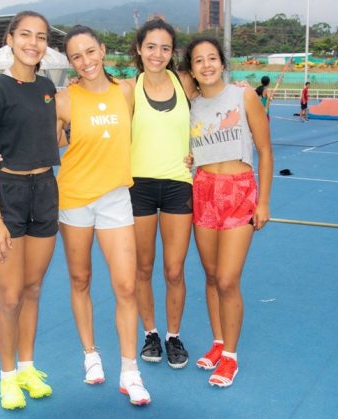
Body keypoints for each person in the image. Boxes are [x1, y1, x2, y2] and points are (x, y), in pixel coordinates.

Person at [54, 25, 151, 406]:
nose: (86, 61)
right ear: (70, 62)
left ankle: (130, 371)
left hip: (115, 199)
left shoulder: (125, 91)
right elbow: (45, 142)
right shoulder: (63, 100)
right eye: (77, 56)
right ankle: (91, 355)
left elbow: (173, 88)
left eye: (90, 52)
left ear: (103, 50)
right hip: (74, 198)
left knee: (126, 286)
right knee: (81, 279)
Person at [0, 11, 60, 411]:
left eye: (40, 36)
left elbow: (55, 137)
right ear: (9, 39)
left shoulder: (47, 87)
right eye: (25, 34)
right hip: (7, 195)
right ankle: (7, 376)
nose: (33, 42)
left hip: (45, 190)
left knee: (33, 289)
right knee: (10, 297)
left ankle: (27, 366)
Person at [181, 36, 273, 387]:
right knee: (209, 274)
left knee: (227, 279)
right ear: (191, 69)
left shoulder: (243, 95)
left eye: (212, 58)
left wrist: (263, 201)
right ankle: (218, 342)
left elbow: (265, 149)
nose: (206, 65)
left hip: (239, 191)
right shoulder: (189, 105)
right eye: (198, 60)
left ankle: (231, 357)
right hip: (202, 191)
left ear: (222, 62)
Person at [122, 18, 194, 370]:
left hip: (180, 184)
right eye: (151, 46)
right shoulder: (127, 89)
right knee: (143, 267)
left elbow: (215, 105)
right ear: (139, 49)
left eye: (165, 48)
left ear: (172, 52)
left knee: (174, 270)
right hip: (140, 188)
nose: (157, 53)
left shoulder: (186, 83)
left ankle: (173, 335)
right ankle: (150, 332)